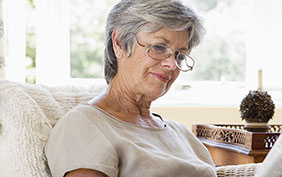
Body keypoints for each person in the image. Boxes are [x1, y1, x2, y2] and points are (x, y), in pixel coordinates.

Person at [45, 0, 216, 177]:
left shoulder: (182, 134)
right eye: (158, 47)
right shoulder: (84, 125)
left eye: (180, 55)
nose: (172, 64)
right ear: (119, 43)